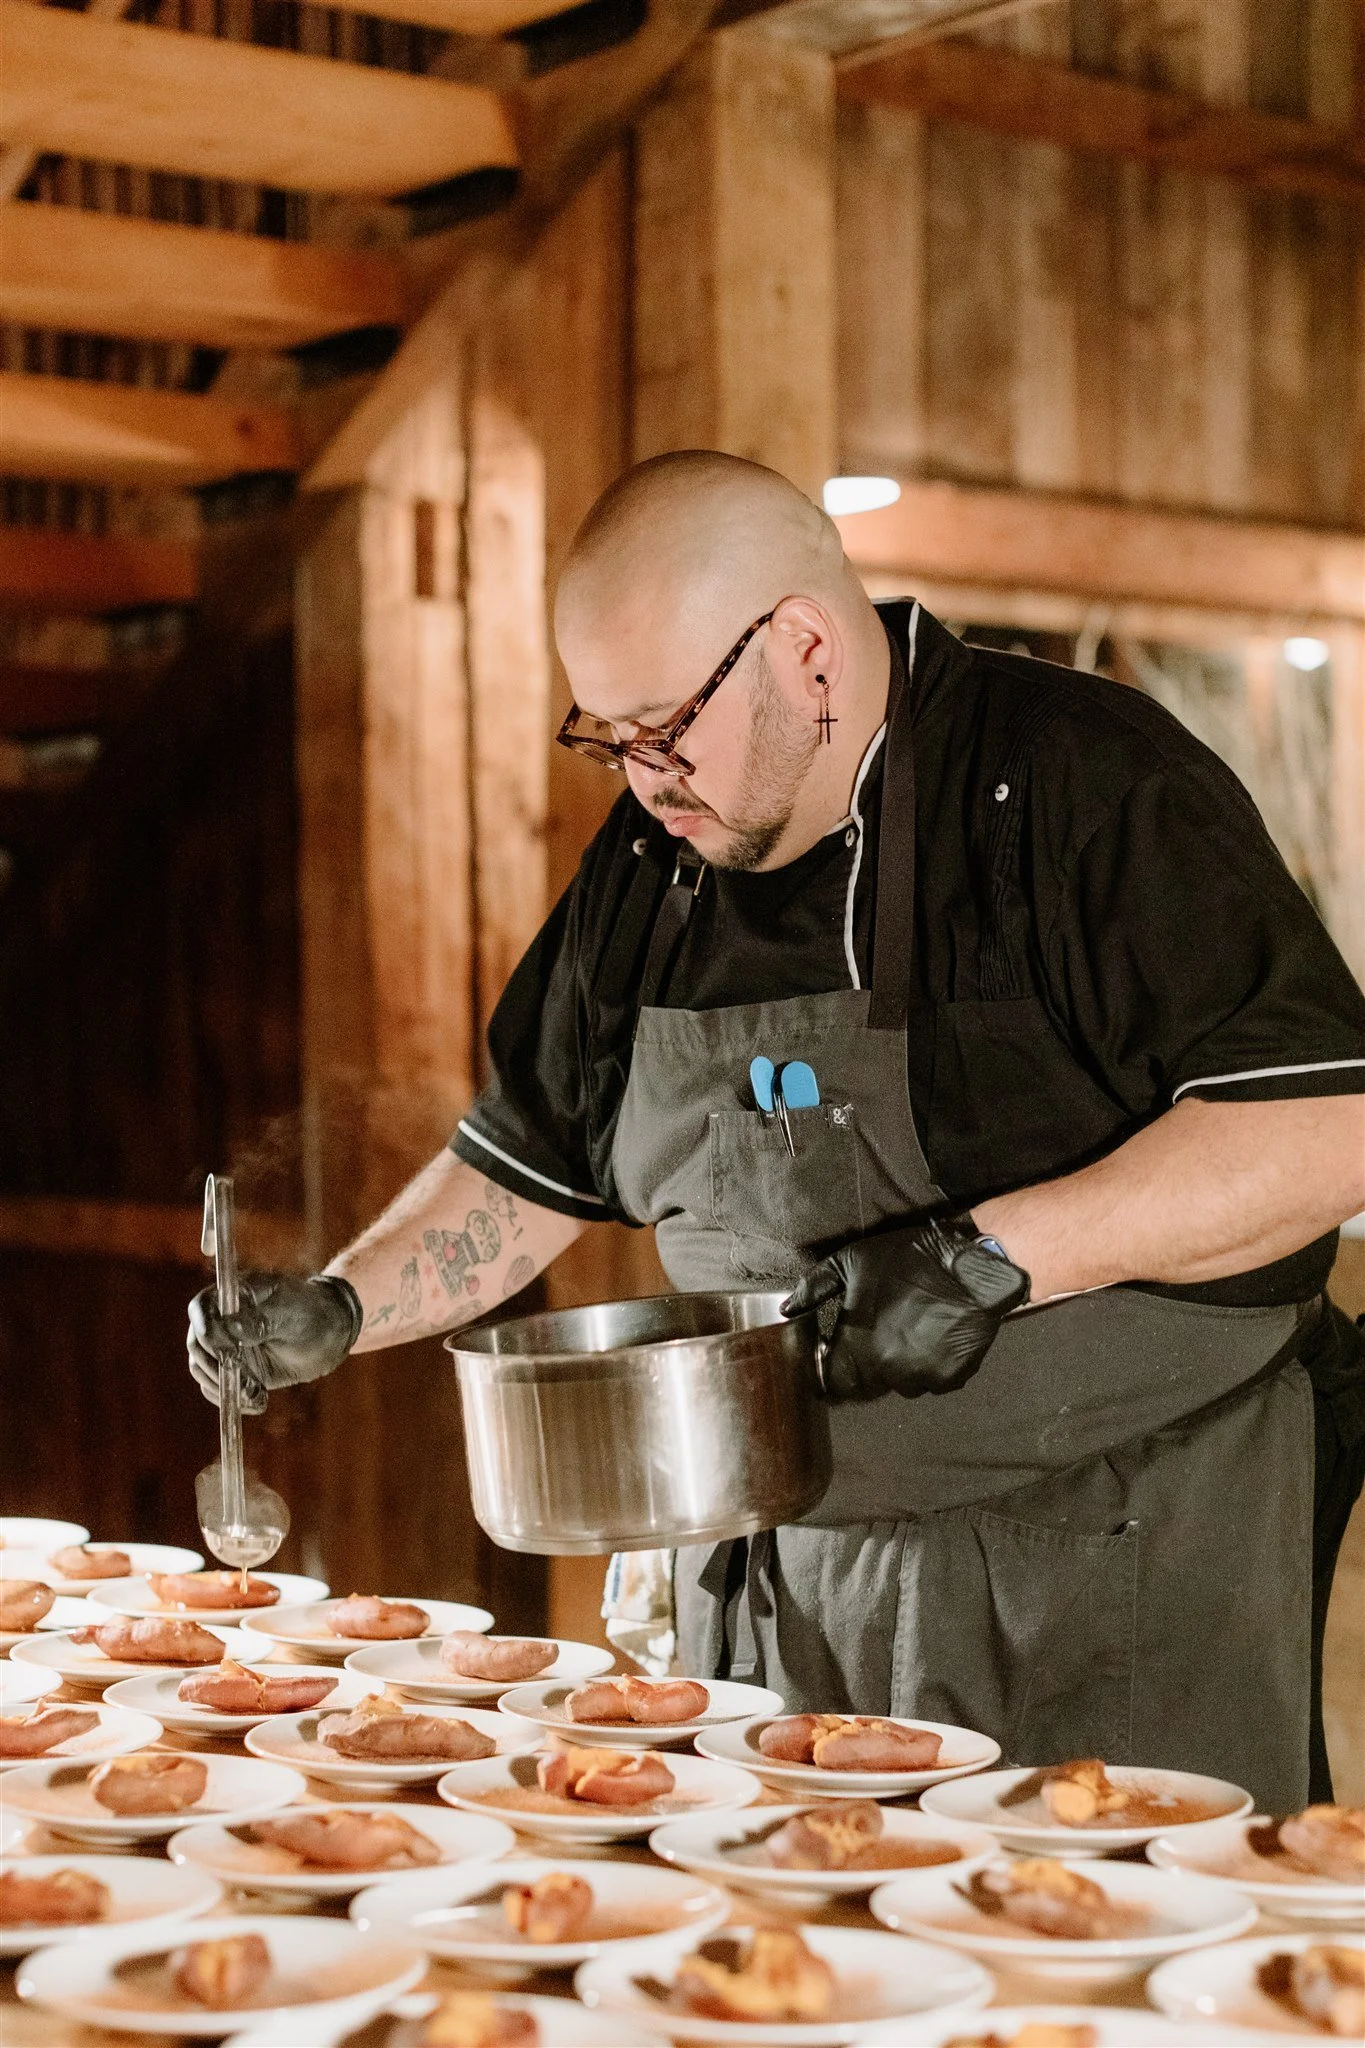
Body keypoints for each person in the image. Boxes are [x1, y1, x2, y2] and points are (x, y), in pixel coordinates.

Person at [189, 451, 1365, 1809]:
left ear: (806, 648)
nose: (641, 779)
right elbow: (533, 1162)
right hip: (779, 1587)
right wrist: (346, 1306)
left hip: (1114, 1563)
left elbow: (1325, 1126)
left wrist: (991, 1255)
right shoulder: (653, 867)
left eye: (663, 727)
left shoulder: (1078, 784)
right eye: (606, 736)